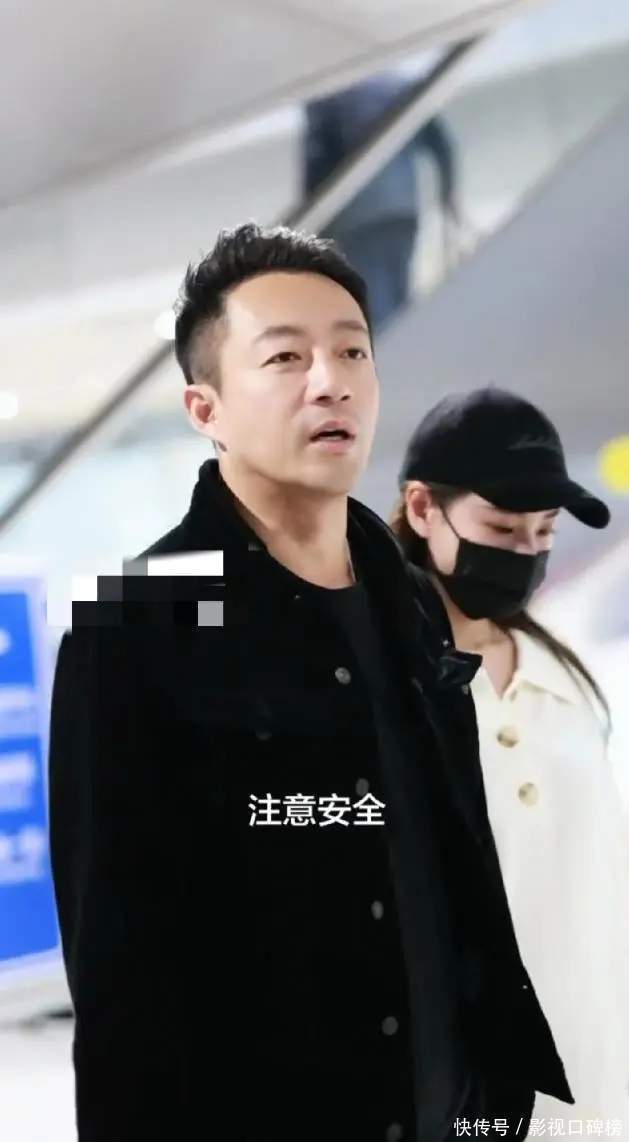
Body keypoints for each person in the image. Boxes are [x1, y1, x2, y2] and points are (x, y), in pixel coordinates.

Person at [49, 229, 572, 1142]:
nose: (330, 382)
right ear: (205, 407)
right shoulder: (138, 618)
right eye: (284, 357)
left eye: (352, 352)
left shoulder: (410, 602)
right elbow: (120, 978)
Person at [391, 386, 629, 1133]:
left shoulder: (564, 675)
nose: (524, 552)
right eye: (500, 527)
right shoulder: (382, 683)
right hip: (460, 1084)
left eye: (543, 530)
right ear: (423, 509)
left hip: (595, 1071)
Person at [303, 73, 458, 330]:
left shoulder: (325, 94)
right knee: (400, 295)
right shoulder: (395, 84)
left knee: (377, 309)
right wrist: (448, 192)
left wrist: (313, 229)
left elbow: (316, 159)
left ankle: (395, 351)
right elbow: (439, 139)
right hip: (403, 208)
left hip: (357, 218)